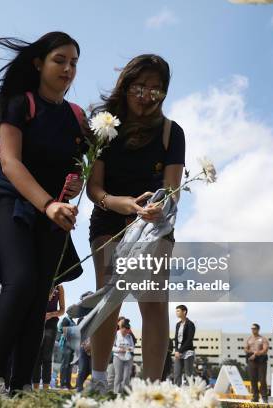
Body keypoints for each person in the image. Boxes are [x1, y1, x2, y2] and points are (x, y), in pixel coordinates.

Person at [0, 31, 85, 396]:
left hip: (52, 211)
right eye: (60, 60)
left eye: (74, 63)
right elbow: (10, 162)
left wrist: (74, 186)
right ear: (38, 63)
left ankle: (21, 387)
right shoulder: (19, 102)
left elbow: (76, 167)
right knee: (19, 280)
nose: (68, 69)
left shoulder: (78, 116)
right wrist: (49, 203)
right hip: (10, 197)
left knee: (39, 294)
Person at [86, 54, 185, 392]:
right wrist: (123, 204)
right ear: (126, 86)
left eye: (156, 90)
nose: (147, 95)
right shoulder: (105, 128)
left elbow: (173, 190)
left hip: (154, 228)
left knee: (154, 303)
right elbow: (94, 189)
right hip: (108, 222)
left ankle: (151, 391)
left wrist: (159, 206)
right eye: (140, 86)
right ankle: (99, 382)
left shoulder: (173, 132)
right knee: (109, 299)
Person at [33, 284, 65, 389]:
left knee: (47, 356)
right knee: (36, 356)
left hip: (51, 324)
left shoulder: (59, 287)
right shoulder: (39, 281)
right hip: (36, 322)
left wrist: (51, 314)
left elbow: (62, 310)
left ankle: (46, 388)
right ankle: (35, 387)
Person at [244, 323, 269, 403]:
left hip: (261, 360)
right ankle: (255, 397)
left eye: (254, 328)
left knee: (262, 379)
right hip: (252, 360)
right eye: (252, 328)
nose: (253, 330)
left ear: (258, 329)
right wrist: (251, 352)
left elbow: (265, 349)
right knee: (253, 379)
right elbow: (245, 348)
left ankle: (264, 397)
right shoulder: (249, 339)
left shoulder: (263, 339)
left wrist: (257, 353)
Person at [173, 305, 195, 386]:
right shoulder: (178, 324)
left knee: (188, 375)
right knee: (176, 373)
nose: (176, 313)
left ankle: (191, 393)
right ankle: (176, 392)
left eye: (178, 311)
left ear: (184, 312)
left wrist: (180, 351)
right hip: (178, 353)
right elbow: (176, 338)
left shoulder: (190, 324)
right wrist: (176, 350)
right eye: (176, 311)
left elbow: (189, 340)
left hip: (187, 352)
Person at [112, 321, 135, 393]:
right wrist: (119, 350)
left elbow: (133, 348)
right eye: (124, 331)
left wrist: (128, 349)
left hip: (128, 358)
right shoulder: (116, 334)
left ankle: (124, 393)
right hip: (118, 357)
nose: (125, 333)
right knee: (118, 376)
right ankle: (116, 393)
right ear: (121, 328)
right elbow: (111, 347)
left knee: (126, 377)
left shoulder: (129, 336)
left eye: (127, 331)